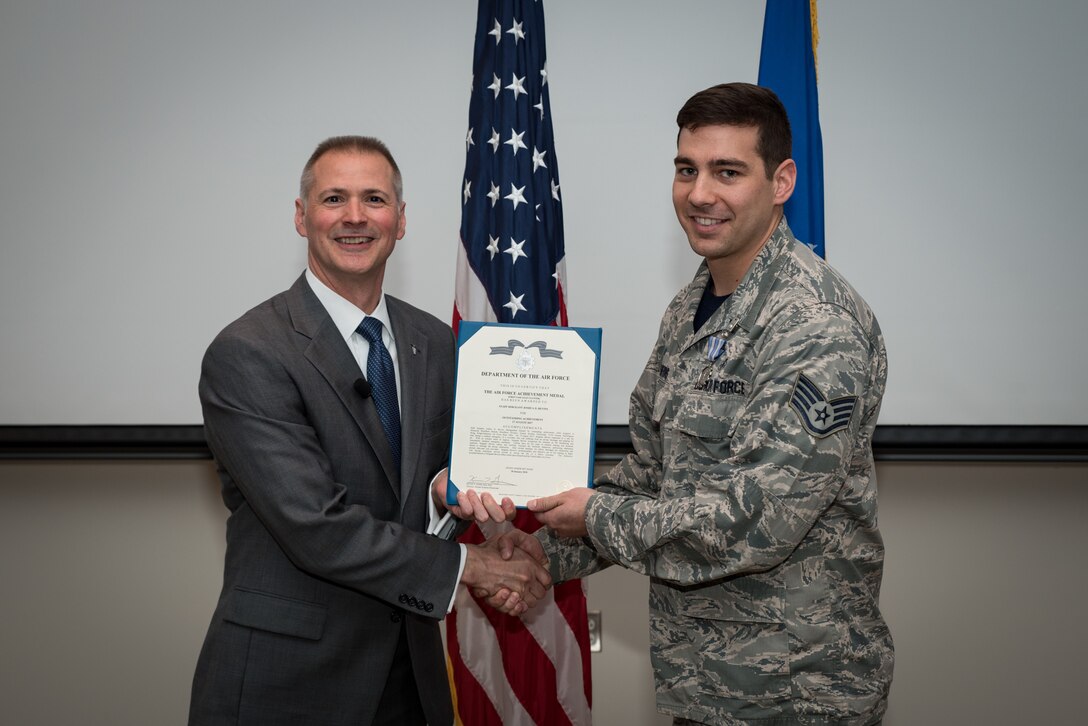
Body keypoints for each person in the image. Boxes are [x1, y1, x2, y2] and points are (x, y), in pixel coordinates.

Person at [518, 83, 894, 724]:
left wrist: (597, 516)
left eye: (728, 172)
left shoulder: (814, 322)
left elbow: (756, 520)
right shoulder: (692, 308)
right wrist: (539, 556)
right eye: (686, 169)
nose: (699, 194)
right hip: (705, 684)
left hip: (795, 691)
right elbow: (654, 476)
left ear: (781, 181)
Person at [188, 135, 550, 726]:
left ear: (400, 221)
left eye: (374, 199)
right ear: (302, 217)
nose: (355, 217)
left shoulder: (435, 342)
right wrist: (476, 569)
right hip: (289, 683)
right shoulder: (248, 352)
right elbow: (315, 526)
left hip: (410, 677)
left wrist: (449, 497)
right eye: (334, 199)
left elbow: (427, 482)